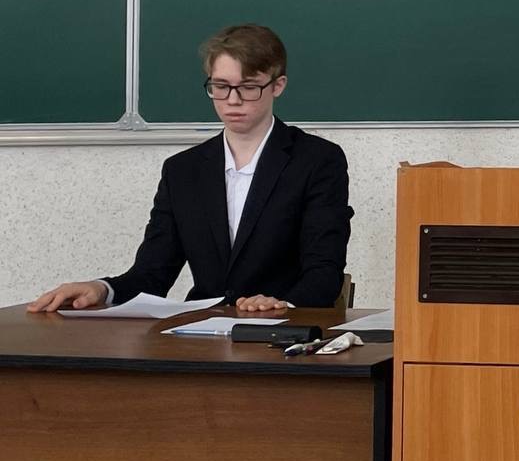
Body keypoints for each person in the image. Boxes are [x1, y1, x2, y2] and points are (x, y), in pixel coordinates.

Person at [28, 24, 353, 313]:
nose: (233, 100)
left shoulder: (317, 161)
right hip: (202, 336)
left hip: (282, 336)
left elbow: (323, 272)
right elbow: (152, 274)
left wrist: (284, 306)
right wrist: (103, 289)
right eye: (221, 86)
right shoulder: (182, 171)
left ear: (277, 86)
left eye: (248, 87)